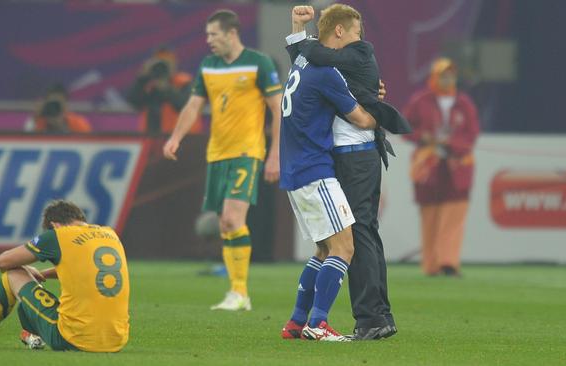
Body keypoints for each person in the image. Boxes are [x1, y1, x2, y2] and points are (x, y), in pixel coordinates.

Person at [284, 3, 403, 340]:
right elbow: (311, 58)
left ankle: (369, 318)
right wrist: (298, 29)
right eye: (355, 30)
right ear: (339, 30)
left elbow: (313, 57)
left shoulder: (356, 54)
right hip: (345, 157)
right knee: (350, 239)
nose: (360, 37)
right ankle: (375, 316)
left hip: (355, 157)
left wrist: (303, 40)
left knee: (354, 239)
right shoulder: (327, 63)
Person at [162, 9, 283, 311]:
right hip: (217, 153)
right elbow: (193, 105)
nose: (209, 40)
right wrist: (176, 136)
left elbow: (278, 109)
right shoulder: (209, 66)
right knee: (225, 225)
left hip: (247, 151)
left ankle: (240, 292)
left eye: (214, 34)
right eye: (207, 35)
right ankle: (237, 292)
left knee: (232, 218)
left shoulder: (259, 63)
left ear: (231, 34)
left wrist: (275, 153)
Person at [0, 200, 130, 352]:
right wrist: (40, 274)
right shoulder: (109, 233)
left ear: (54, 225)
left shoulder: (58, 235)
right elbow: (88, 271)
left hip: (75, 338)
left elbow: (3, 262)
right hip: (117, 339)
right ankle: (32, 334)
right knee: (32, 289)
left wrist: (26, 270)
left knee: (13, 273)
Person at [402, 57, 480, 277]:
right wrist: (423, 138)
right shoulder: (421, 100)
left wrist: (451, 145)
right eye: (443, 75)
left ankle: (449, 262)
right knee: (430, 215)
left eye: (451, 75)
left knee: (454, 215)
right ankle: (431, 265)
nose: (448, 79)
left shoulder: (464, 103)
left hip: (458, 166)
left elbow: (471, 133)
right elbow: (406, 126)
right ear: (434, 77)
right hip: (428, 165)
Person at [127, 47, 203, 135]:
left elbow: (184, 106)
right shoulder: (148, 85)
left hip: (180, 139)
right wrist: (142, 78)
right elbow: (134, 102)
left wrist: (166, 88)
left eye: (166, 63)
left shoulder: (184, 82)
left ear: (174, 64)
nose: (162, 68)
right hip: (152, 138)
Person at [24, 83, 92, 133]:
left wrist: (60, 124)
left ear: (66, 105)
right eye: (52, 103)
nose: (55, 107)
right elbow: (26, 142)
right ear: (46, 103)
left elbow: (88, 144)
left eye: (58, 103)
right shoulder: (38, 121)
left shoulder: (78, 123)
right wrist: (34, 118)